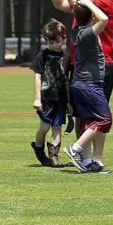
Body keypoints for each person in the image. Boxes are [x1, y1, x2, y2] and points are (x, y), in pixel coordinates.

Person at [45, 0, 113, 102]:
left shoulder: (106, 0)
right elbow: (59, 4)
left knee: (94, 114)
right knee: (79, 112)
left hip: (100, 63)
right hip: (81, 62)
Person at [62, 0, 113, 174]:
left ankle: (87, 161)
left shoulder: (77, 30)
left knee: (87, 121)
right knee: (104, 120)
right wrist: (89, 4)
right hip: (89, 85)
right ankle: (75, 148)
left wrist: (84, 6)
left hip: (81, 84)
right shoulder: (86, 33)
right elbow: (104, 19)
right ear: (91, 15)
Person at [30, 19, 70, 167]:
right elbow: (37, 76)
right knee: (44, 127)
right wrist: (37, 99)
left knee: (57, 127)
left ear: (63, 38)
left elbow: (66, 79)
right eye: (50, 42)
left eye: (57, 41)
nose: (54, 45)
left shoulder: (66, 57)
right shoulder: (43, 55)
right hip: (46, 98)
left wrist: (69, 102)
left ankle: (54, 156)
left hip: (61, 98)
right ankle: (39, 148)